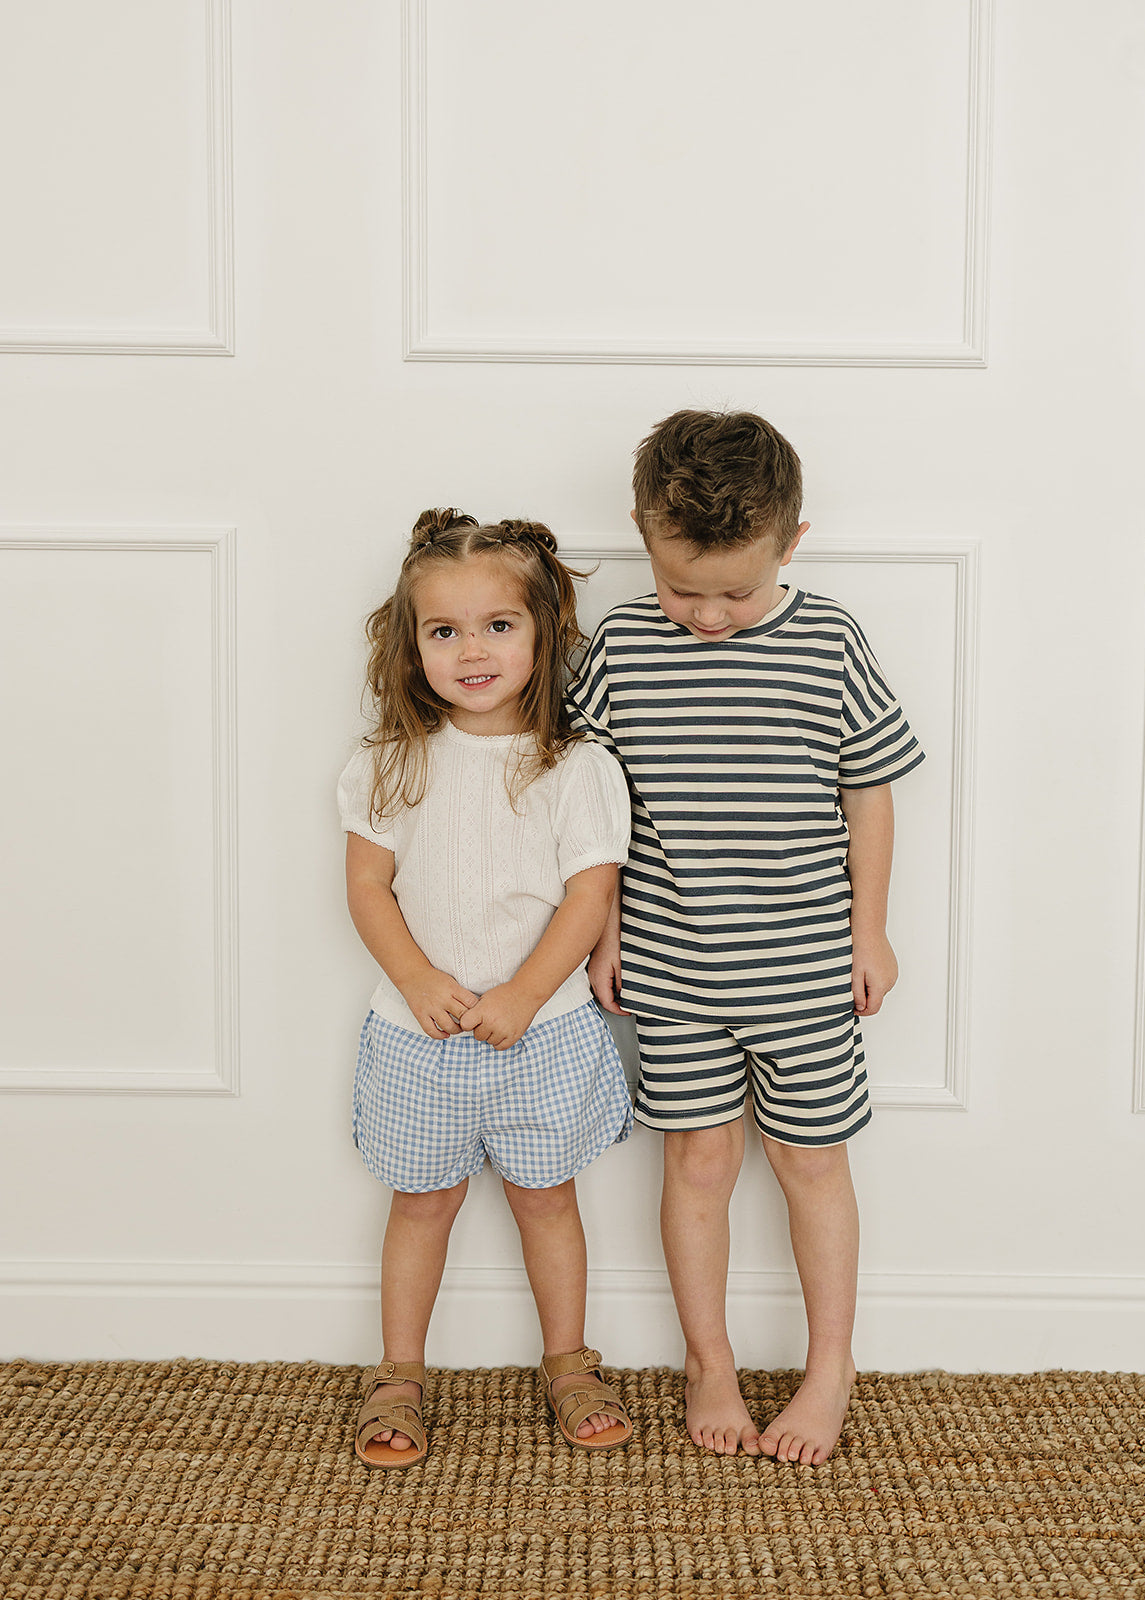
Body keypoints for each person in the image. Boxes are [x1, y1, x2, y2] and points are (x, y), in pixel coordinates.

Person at [570, 411, 925, 1466]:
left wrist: (872, 930)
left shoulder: (828, 639)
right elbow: (590, 812)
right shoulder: (624, 649)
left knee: (813, 1163)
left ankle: (830, 1366)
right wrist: (606, 933)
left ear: (791, 542)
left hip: (808, 971)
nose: (710, 615)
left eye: (736, 590)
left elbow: (869, 792)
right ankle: (708, 1357)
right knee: (697, 1163)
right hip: (673, 972)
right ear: (642, 536)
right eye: (685, 590)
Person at [339, 508, 635, 1467]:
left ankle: (568, 1360)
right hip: (418, 1036)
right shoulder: (387, 763)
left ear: (543, 633)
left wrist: (520, 994)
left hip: (540, 1031)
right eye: (444, 630)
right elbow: (367, 887)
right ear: (410, 643)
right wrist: (420, 978)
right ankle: (397, 1373)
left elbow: (591, 893)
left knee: (546, 1197)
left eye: (498, 625)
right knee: (420, 1202)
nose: (472, 650)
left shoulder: (575, 765)